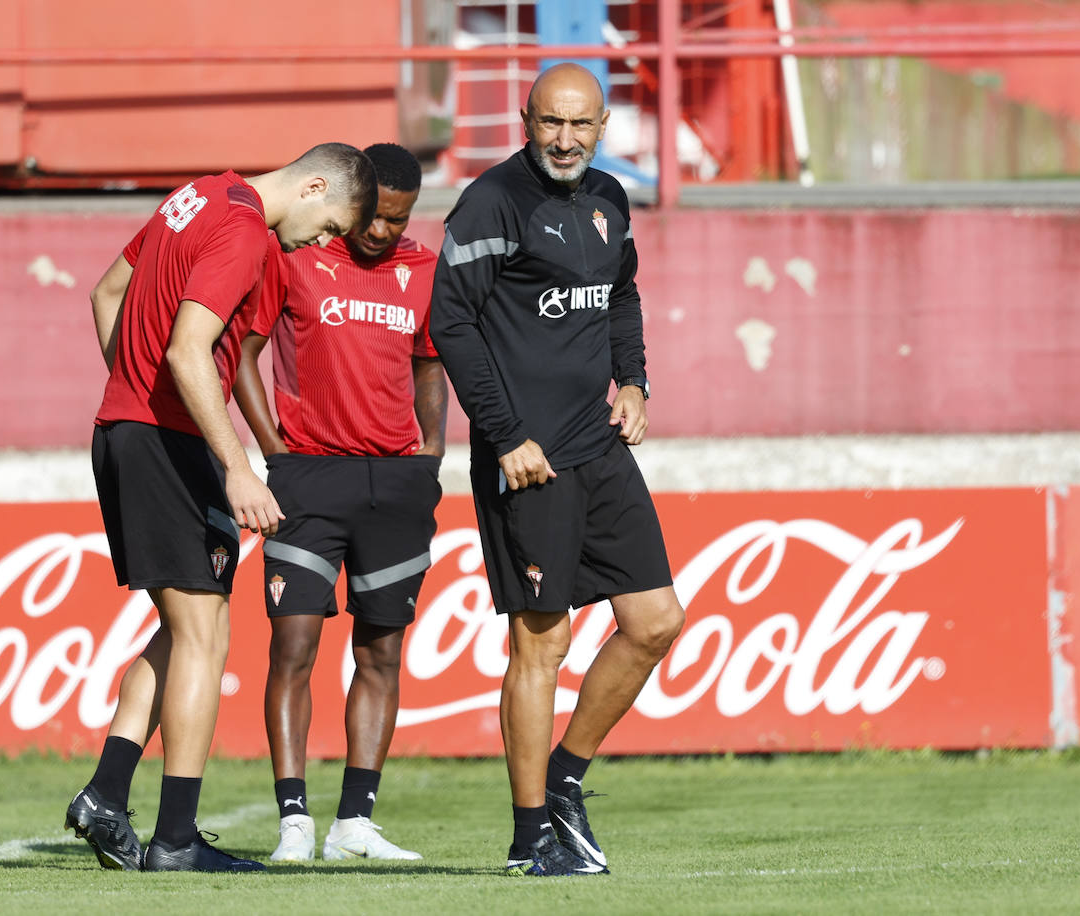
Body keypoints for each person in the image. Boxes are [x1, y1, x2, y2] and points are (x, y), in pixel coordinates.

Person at [64, 143, 378, 873]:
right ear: (315, 185)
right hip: (165, 443)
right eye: (332, 224)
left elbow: (105, 294)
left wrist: (131, 397)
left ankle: (107, 795)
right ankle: (175, 840)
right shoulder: (243, 229)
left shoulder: (201, 194)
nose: (325, 242)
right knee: (206, 633)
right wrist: (236, 467)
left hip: (131, 432)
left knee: (183, 628)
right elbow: (189, 351)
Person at [429, 63, 686, 877]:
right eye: (550, 123)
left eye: (580, 124)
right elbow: (452, 324)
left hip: (598, 446)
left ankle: (566, 782)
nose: (565, 139)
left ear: (603, 124)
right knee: (542, 645)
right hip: (527, 459)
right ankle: (529, 835)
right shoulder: (491, 203)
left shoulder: (610, 197)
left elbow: (622, 298)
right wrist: (504, 436)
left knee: (655, 621)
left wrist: (635, 380)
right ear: (525, 119)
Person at [232, 143, 446, 864]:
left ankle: (355, 822)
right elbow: (242, 357)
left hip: (396, 484)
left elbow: (429, 367)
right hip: (309, 481)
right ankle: (293, 821)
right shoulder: (294, 255)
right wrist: (276, 452)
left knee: (381, 652)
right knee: (293, 646)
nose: (384, 232)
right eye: (375, 216)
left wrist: (433, 452)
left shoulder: (423, 269)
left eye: (399, 219)